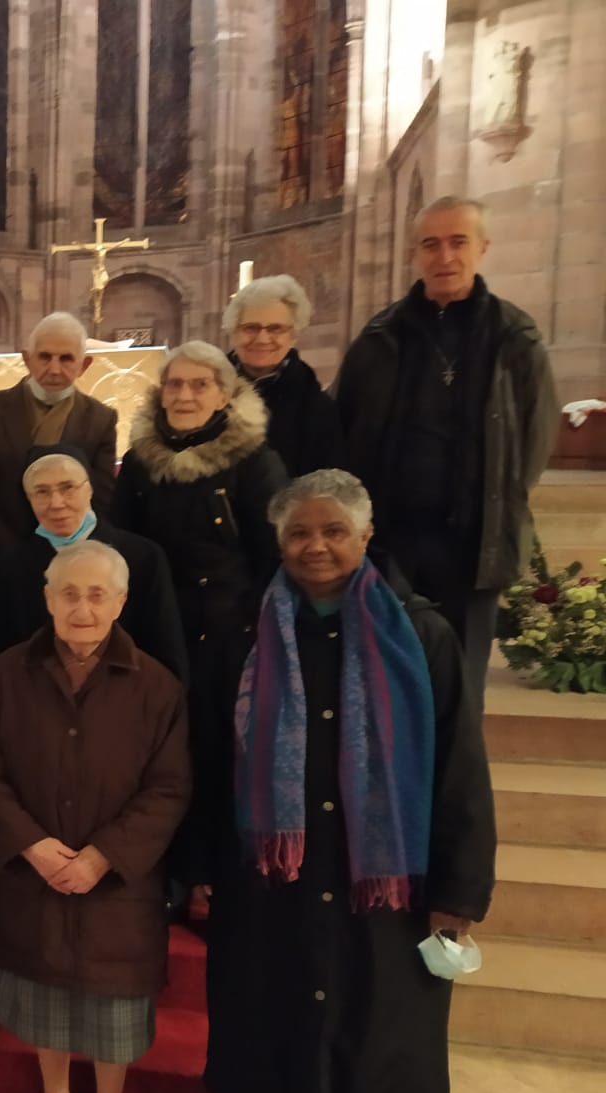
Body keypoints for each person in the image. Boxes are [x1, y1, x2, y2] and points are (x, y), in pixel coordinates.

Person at [204, 471, 495, 1093]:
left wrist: (458, 888)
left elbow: (459, 765)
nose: (316, 546)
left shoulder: (419, 632)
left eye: (333, 530)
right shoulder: (245, 628)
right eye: (299, 532)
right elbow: (211, 755)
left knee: (383, 1013)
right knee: (269, 1001)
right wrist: (203, 865)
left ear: (365, 536)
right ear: (279, 541)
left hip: (388, 867)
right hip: (276, 867)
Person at [0, 540, 191, 1093]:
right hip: (32, 874)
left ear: (121, 602)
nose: (83, 608)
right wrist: (32, 845)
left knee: (112, 1012)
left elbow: (170, 787)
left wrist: (104, 856)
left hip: (117, 884)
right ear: (48, 599)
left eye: (98, 595)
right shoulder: (5, 675)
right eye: (70, 593)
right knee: (45, 1000)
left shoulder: (157, 686)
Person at [333, 195, 560, 706]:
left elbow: (535, 437)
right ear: (415, 253)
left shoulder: (513, 335)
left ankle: (454, 786)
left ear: (482, 247)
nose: (445, 257)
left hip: (472, 543)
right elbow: (344, 426)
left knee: (460, 684)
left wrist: (499, 503)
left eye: (458, 242)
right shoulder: (380, 335)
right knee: (385, 676)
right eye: (431, 244)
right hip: (390, 539)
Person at [110, 342, 288, 885]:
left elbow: (272, 557)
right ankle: (169, 869)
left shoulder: (256, 462)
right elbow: (122, 545)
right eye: (174, 384)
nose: (184, 394)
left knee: (216, 756)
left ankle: (215, 874)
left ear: (225, 394)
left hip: (230, 638)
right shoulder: (141, 459)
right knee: (162, 754)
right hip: (160, 631)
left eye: (199, 384)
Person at [0, 446, 187, 680]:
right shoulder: (11, 568)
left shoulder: (143, 557)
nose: (56, 503)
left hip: (126, 704)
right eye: (42, 492)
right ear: (29, 500)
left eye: (68, 488)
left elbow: (167, 656)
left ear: (89, 489)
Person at [0, 312, 118, 565]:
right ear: (27, 359)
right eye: (44, 357)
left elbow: (100, 496)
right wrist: (9, 547)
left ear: (84, 365)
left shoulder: (101, 420)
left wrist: (69, 546)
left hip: (72, 557)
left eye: (66, 359)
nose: (54, 369)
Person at [222, 274, 343, 479]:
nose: (262, 338)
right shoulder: (203, 390)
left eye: (275, 328)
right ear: (233, 332)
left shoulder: (317, 408)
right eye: (250, 328)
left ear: (293, 336)